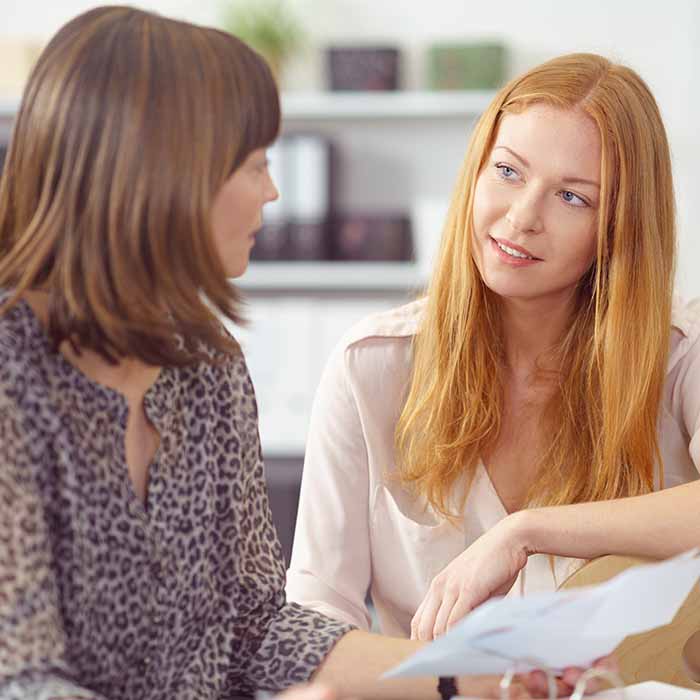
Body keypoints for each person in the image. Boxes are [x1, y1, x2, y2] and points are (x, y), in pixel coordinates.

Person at [0, 6, 607, 700]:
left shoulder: (208, 368)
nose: (273, 191)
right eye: (255, 164)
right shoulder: (12, 379)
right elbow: (23, 679)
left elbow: (257, 628)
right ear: (167, 174)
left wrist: (471, 680)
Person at [287, 52, 700, 643]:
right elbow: (317, 615)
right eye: (508, 172)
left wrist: (528, 531)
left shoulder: (681, 359)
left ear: (619, 230)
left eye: (572, 197)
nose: (522, 216)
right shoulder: (370, 367)